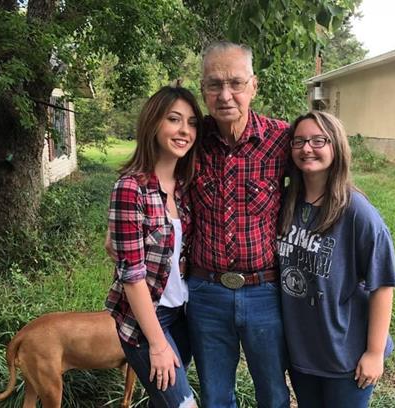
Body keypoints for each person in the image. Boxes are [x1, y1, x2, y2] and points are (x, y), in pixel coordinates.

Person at [185, 41, 291, 407]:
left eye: (236, 83)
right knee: (215, 396)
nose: (225, 95)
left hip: (265, 290)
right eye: (214, 84)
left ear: (254, 86)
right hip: (206, 291)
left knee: (273, 393)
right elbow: (151, 170)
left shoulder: (281, 139)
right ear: (203, 90)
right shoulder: (190, 140)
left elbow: (324, 176)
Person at [277, 111, 395, 407]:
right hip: (302, 352)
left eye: (318, 140)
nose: (307, 148)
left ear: (337, 146)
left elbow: (383, 284)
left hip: (346, 355)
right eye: (299, 141)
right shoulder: (285, 202)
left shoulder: (357, 212)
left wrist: (374, 353)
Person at [105, 85, 203, 408]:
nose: (184, 130)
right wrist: (158, 344)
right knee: (183, 404)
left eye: (191, 123)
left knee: (164, 401)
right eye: (174, 119)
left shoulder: (185, 186)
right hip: (146, 322)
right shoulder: (130, 188)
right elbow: (132, 277)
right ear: (153, 123)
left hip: (182, 313)